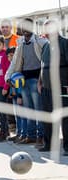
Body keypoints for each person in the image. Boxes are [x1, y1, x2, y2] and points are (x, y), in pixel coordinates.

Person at [5, 17, 47, 146]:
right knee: (28, 109)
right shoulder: (20, 43)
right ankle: (31, 135)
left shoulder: (40, 41)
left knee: (38, 109)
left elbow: (46, 61)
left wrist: (42, 79)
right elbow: (15, 62)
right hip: (23, 80)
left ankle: (41, 136)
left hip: (36, 79)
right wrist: (8, 76)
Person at [38, 19, 68, 155]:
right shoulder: (45, 45)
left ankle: (67, 147)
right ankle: (49, 144)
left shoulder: (64, 43)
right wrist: (40, 81)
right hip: (46, 88)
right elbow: (43, 66)